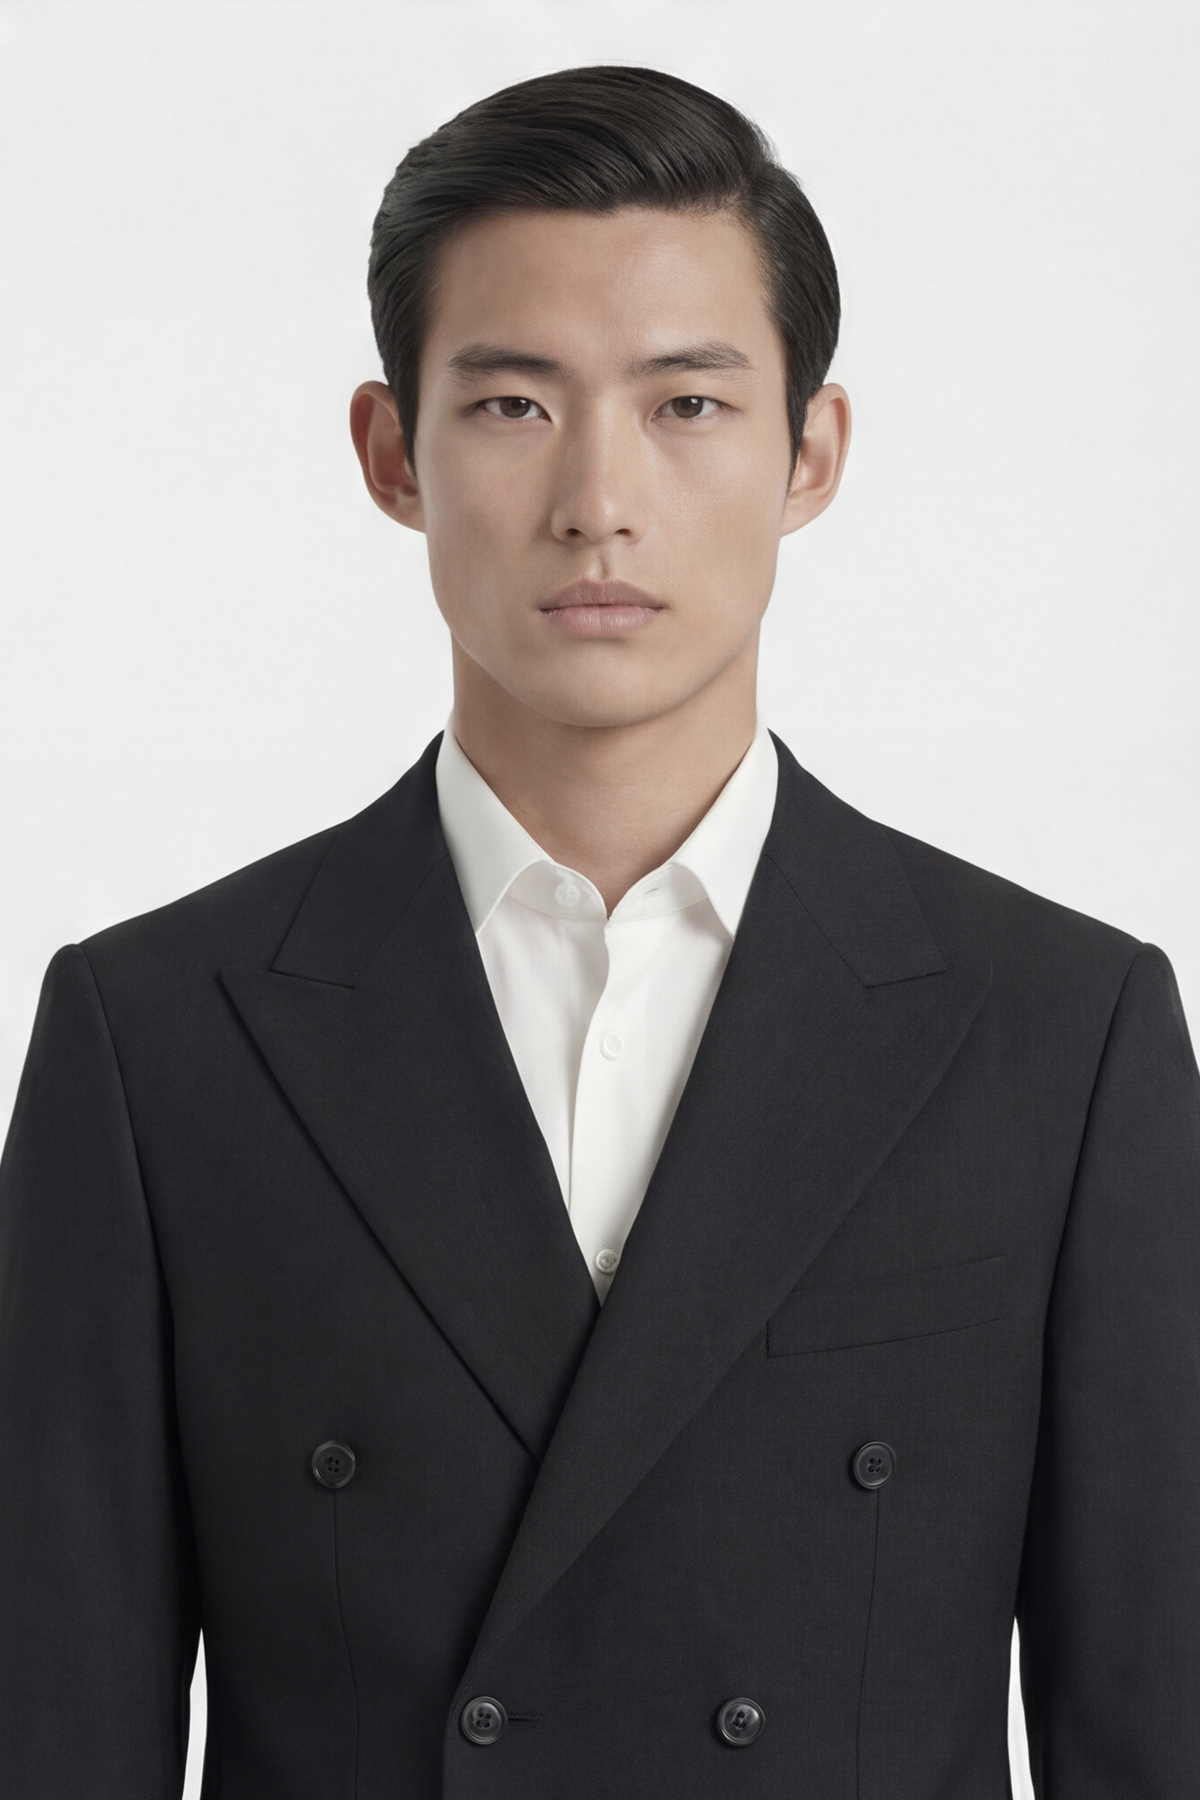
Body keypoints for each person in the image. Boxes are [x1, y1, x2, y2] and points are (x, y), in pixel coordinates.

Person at [1, 63, 1197, 1799]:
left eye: (687, 403)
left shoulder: (1061, 1035)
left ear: (811, 454)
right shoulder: (156, 1038)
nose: (598, 500)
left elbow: (1156, 1729)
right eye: (511, 404)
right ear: (392, 455)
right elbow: (51, 1730)